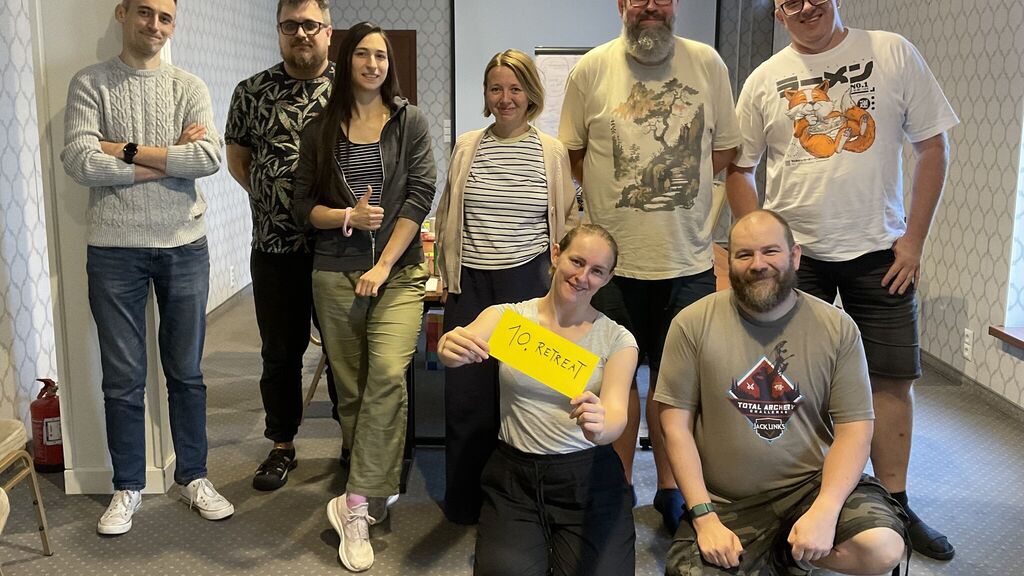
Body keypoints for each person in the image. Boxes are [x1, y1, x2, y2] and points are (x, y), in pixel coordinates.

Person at [726, 0, 959, 560]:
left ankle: (896, 502)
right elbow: (741, 169)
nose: (804, 8)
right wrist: (760, 246)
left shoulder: (892, 53)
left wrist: (915, 240)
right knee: (784, 380)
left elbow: (933, 147)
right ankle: (789, 495)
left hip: (881, 252)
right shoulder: (763, 80)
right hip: (793, 259)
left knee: (890, 379)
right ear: (777, 12)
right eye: (789, 2)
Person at [558, 0, 744, 534]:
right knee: (612, 386)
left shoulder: (707, 64)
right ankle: (616, 487)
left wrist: (679, 184)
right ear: (621, 5)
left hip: (685, 264)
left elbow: (725, 149)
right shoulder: (591, 69)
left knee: (675, 389)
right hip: (608, 269)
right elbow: (573, 153)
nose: (650, 6)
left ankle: (672, 489)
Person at [61, 0, 233, 535]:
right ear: (121, 14)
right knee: (123, 378)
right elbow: (80, 162)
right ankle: (128, 485)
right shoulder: (89, 83)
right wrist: (165, 161)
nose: (155, 25)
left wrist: (126, 151)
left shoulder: (189, 85)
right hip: (114, 250)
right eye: (145, 13)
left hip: (185, 245)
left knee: (187, 374)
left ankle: (194, 477)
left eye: (165, 17)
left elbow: (207, 159)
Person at [655, 210, 908, 575]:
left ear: (795, 255)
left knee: (882, 548)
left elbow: (855, 430)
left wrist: (825, 510)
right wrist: (703, 517)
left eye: (771, 251)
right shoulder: (691, 323)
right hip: (727, 502)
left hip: (811, 487)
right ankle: (785, 555)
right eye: (744, 255)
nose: (759, 264)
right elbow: (674, 428)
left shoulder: (837, 328)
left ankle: (786, 554)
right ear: (729, 260)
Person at [292, 21, 436, 572]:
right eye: (363, 55)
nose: (373, 63)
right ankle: (372, 486)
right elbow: (302, 206)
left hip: (396, 273)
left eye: (381, 56)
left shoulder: (410, 121)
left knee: (388, 376)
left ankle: (354, 504)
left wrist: (382, 263)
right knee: (350, 389)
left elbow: (420, 194)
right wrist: (347, 215)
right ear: (346, 60)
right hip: (333, 271)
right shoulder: (320, 129)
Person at [438, 224, 638, 576]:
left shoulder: (617, 340)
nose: (582, 277)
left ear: (608, 278)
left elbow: (617, 414)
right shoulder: (508, 318)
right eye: (577, 261)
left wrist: (602, 426)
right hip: (515, 478)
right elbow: (462, 342)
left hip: (588, 476)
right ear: (556, 254)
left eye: (597, 271)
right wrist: (448, 347)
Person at [434, 48, 579, 525]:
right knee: (468, 399)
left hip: (528, 285)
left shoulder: (552, 152)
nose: (505, 98)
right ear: (486, 94)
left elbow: (565, 221)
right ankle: (465, 505)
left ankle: (521, 503)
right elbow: (448, 211)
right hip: (470, 285)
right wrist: (442, 271)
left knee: (529, 397)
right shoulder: (467, 145)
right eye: (496, 88)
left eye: (515, 88)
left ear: (531, 93)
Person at [225, 0, 341, 492]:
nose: (301, 34)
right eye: (290, 25)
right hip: (274, 250)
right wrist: (279, 203)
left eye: (310, 25)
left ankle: (353, 444)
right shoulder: (251, 92)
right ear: (279, 30)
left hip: (341, 248)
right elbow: (239, 162)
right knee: (280, 354)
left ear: (328, 31)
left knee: (343, 351)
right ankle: (281, 446)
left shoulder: (350, 88)